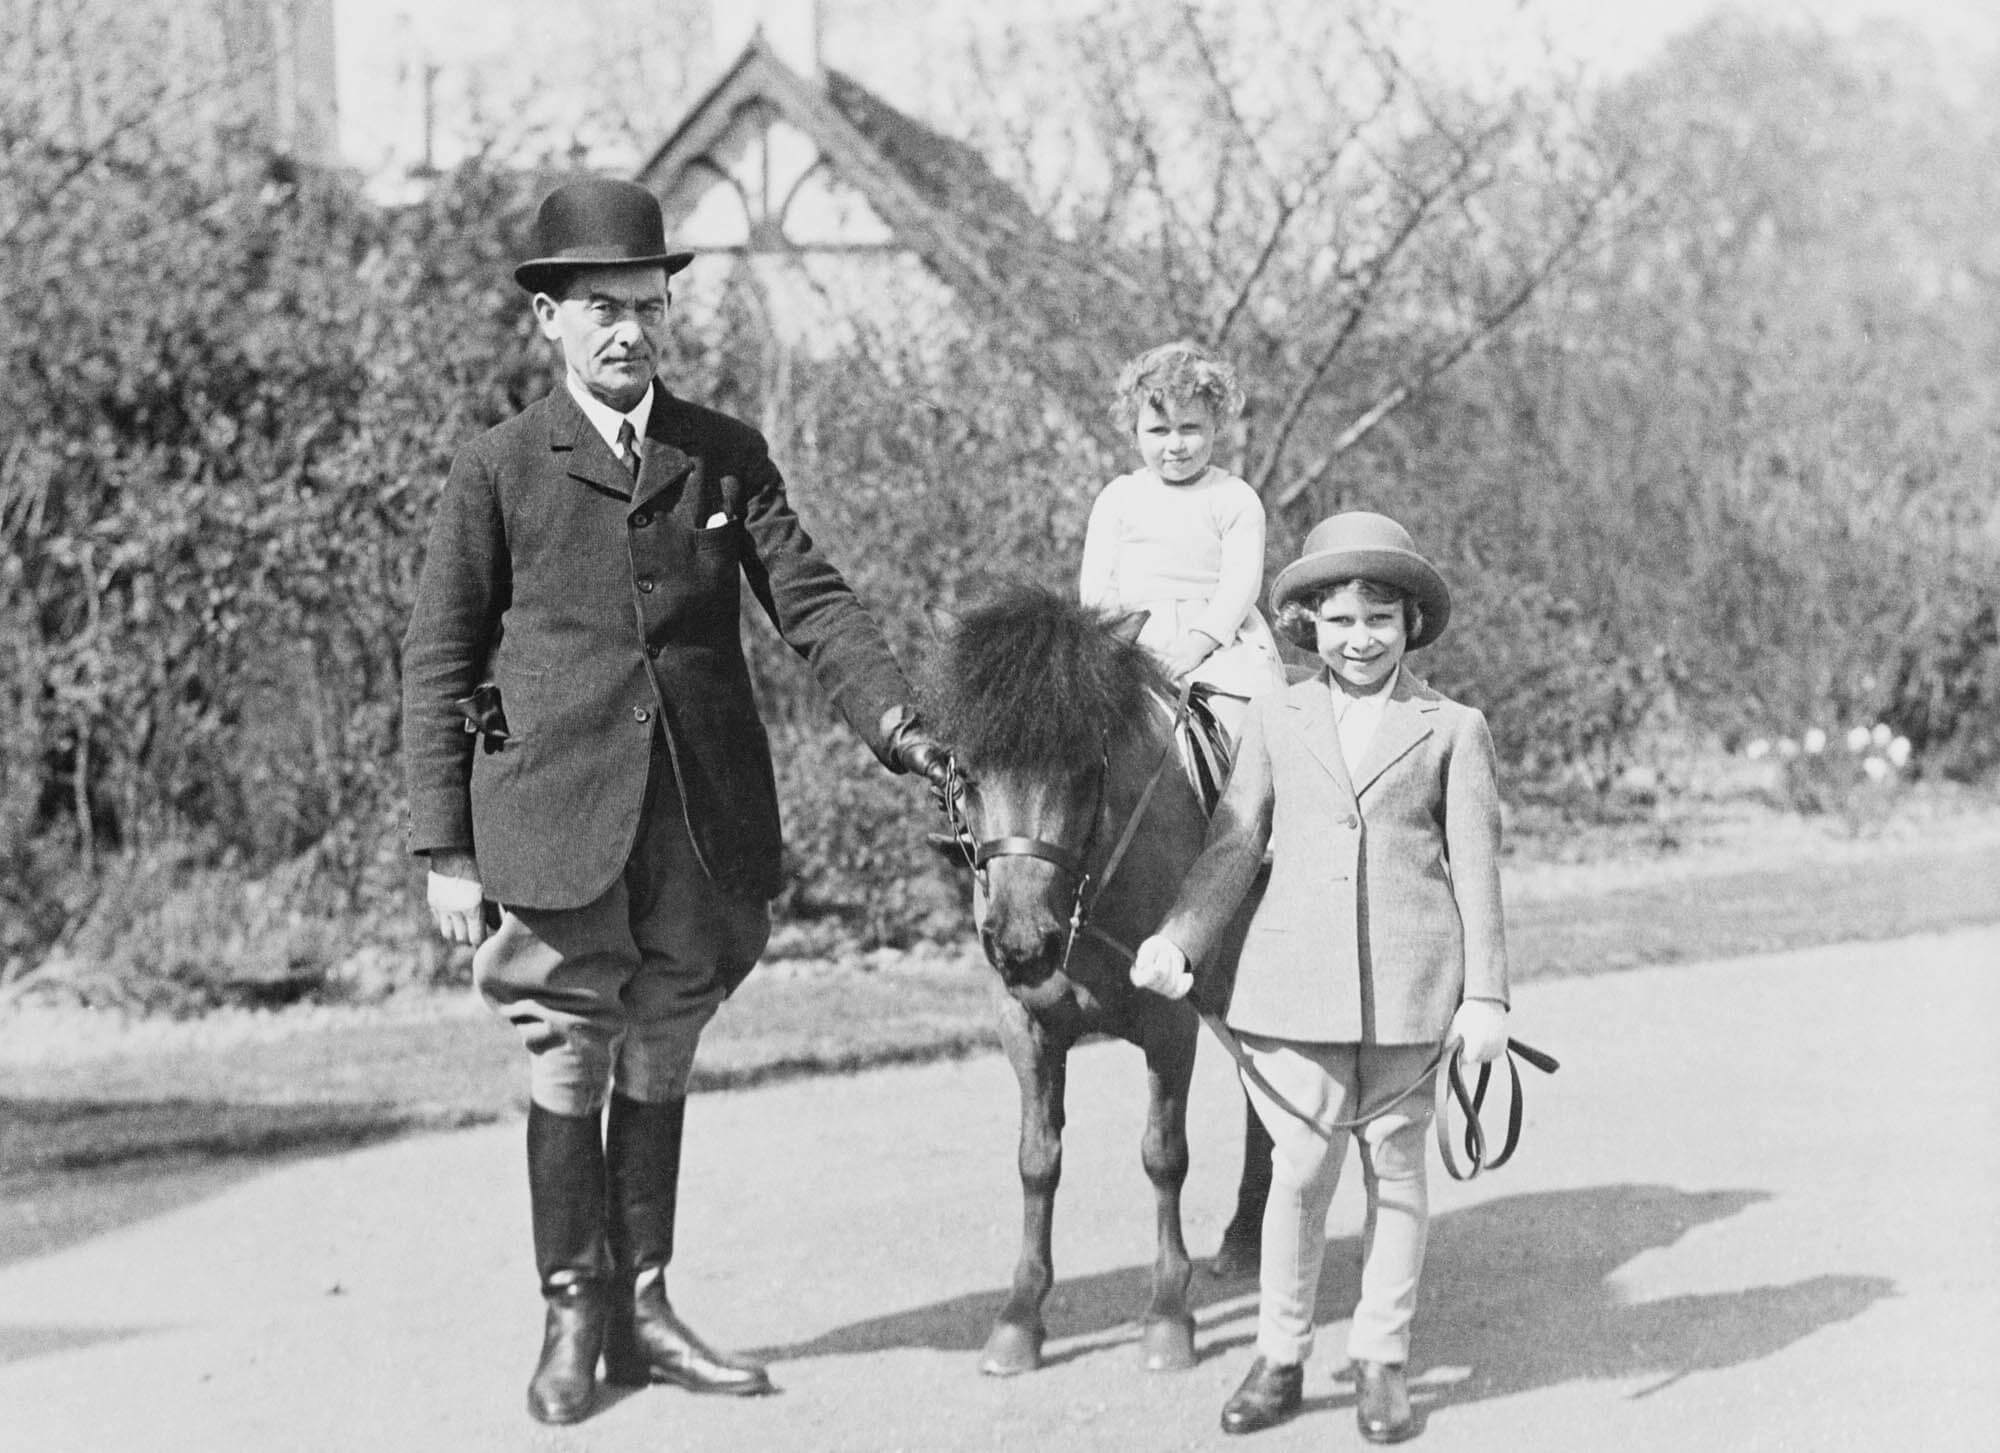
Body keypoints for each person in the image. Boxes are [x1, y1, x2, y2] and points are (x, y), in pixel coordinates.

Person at [401, 177, 950, 1426]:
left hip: (697, 821)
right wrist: (444, 844)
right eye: (598, 307)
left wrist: (897, 725)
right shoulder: (497, 467)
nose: (626, 330)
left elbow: (810, 601)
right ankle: (571, 1314)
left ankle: (645, 1307)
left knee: (662, 1039)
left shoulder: (722, 453)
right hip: (551, 817)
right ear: (547, 317)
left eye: (645, 305)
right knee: (565, 1044)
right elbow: (438, 654)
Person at [1128, 511, 1511, 1444]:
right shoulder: (1275, 715)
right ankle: (1282, 1352)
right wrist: (1180, 938)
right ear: (1306, 626)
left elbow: (1478, 868)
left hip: (1413, 988)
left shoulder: (1453, 728)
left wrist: (1488, 996)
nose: (1360, 637)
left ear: (1410, 625)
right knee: (1299, 1171)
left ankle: (1380, 1356)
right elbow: (1232, 843)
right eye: (1339, 620)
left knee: (1397, 1170)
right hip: (1292, 985)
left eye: (1380, 618)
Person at [1078, 341, 1286, 737]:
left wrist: (1197, 645)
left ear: (1216, 427)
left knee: (1245, 727)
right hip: (1132, 640)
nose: (1175, 445)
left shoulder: (1233, 496)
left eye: (1190, 428)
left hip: (1219, 643)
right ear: (1135, 433)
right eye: (1158, 431)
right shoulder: (1118, 498)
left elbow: (1240, 586)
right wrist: (1116, 643)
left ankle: (1248, 797)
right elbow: (1098, 587)